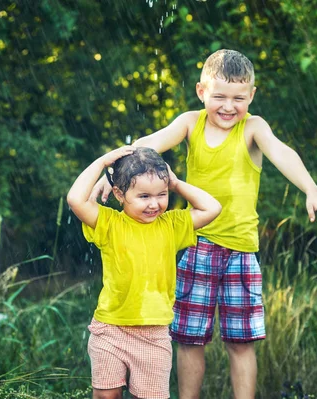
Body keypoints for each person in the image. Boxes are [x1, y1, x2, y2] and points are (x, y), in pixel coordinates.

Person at [92, 49, 317, 399]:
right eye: (219, 96)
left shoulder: (254, 127)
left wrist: (311, 189)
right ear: (201, 92)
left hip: (241, 250)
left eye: (239, 98)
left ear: (251, 95)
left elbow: (283, 152)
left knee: (241, 343)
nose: (228, 106)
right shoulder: (190, 122)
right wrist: (113, 166)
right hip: (198, 245)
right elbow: (153, 141)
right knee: (190, 339)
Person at [67, 146, 222, 399]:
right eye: (144, 196)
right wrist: (103, 160)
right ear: (119, 193)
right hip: (111, 329)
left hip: (155, 334)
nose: (154, 204)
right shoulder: (109, 223)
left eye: (161, 194)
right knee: (106, 395)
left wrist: (176, 183)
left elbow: (212, 208)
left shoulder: (172, 224)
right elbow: (75, 199)